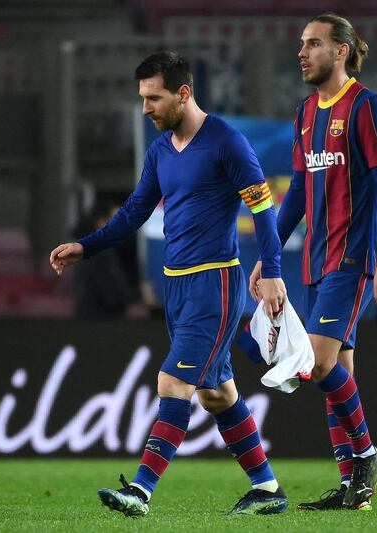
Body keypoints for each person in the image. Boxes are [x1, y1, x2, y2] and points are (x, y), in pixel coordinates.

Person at [49, 51, 289, 517]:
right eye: (142, 98)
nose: (145, 109)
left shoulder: (227, 143)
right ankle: (267, 488)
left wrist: (275, 272)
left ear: (183, 93)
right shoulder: (160, 150)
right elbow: (136, 211)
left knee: (172, 380)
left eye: (153, 98)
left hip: (214, 284)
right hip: (176, 286)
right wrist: (88, 246)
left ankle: (140, 491)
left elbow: (263, 209)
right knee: (216, 393)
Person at [249, 13, 377, 511]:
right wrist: (269, 258)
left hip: (351, 258)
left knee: (315, 363)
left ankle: (367, 452)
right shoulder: (305, 112)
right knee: (339, 376)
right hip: (315, 262)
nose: (302, 52)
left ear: (341, 50)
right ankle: (354, 489)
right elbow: (295, 194)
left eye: (313, 43)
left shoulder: (365, 105)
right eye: (300, 44)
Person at [72, 202, 139, 319]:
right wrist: (141, 294)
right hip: (101, 322)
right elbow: (112, 294)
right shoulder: (99, 253)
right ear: (101, 222)